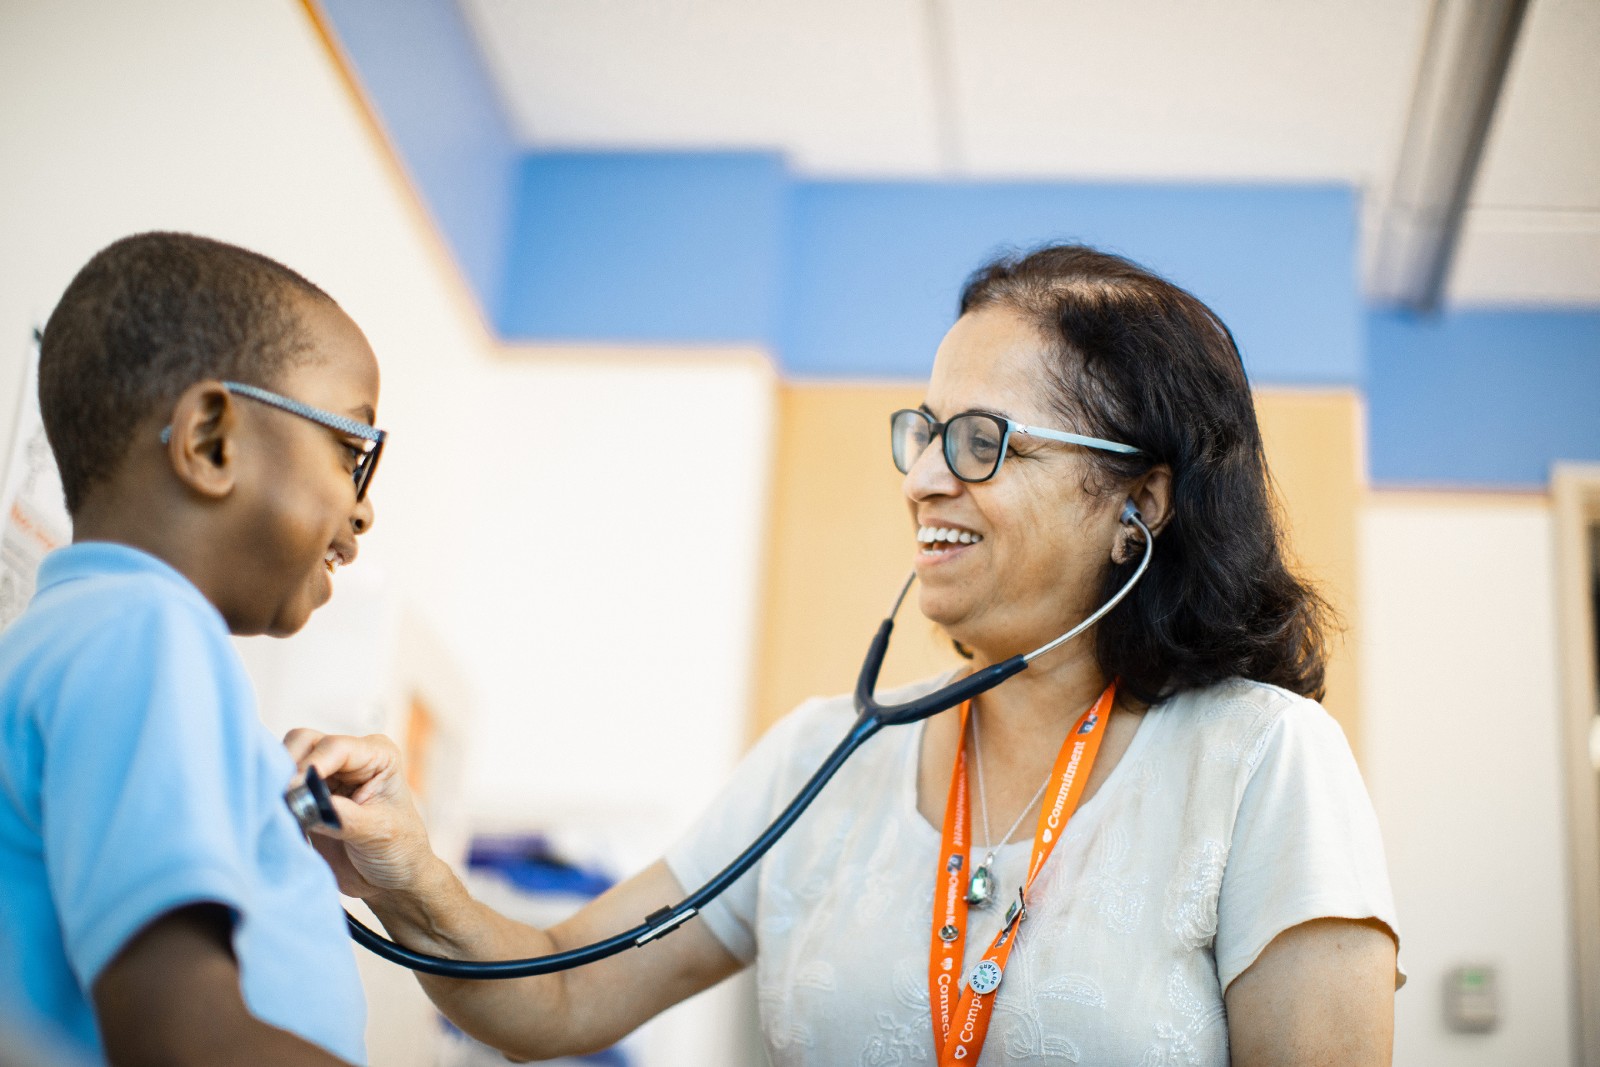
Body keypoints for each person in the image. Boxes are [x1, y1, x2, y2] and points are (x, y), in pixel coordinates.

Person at [293, 244, 1400, 1064]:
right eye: (923, 431)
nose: (921, 476)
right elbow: (559, 997)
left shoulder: (1265, 761)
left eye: (981, 441)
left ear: (1136, 501)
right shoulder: (823, 756)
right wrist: (410, 873)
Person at [0, 232, 384, 1066]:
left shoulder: (71, 636)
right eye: (352, 451)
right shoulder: (146, 636)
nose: (363, 514)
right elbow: (184, 1039)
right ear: (211, 440)